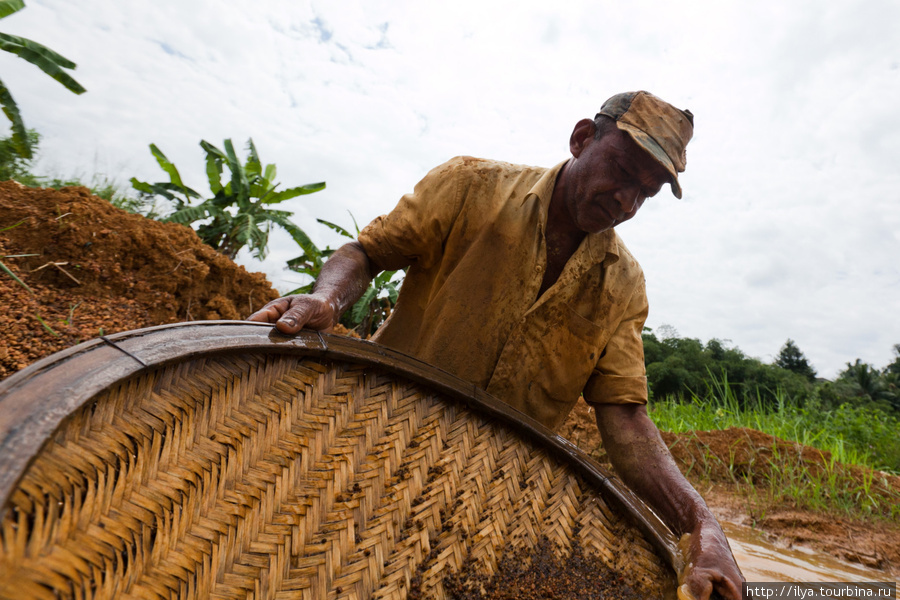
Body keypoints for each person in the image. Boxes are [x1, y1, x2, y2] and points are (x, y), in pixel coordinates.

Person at [249, 91, 744, 600]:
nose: (626, 200)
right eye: (620, 169)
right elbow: (367, 252)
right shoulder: (470, 186)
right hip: (378, 436)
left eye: (648, 191)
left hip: (485, 490)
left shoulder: (624, 285)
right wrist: (328, 299)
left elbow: (624, 415)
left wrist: (702, 525)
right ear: (581, 139)